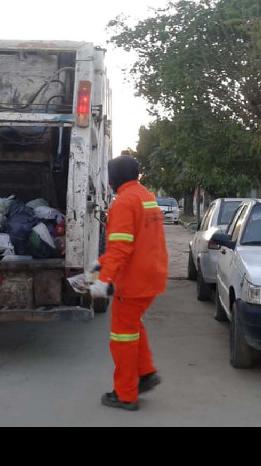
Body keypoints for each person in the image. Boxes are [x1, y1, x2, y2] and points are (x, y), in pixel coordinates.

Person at [88, 155, 168, 411]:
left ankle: (125, 395)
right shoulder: (146, 196)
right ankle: (145, 374)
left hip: (134, 281)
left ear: (114, 178)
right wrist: (103, 264)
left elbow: (121, 246)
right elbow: (135, 241)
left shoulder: (123, 202)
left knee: (122, 337)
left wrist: (103, 279)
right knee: (134, 327)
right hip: (151, 276)